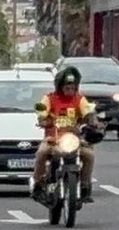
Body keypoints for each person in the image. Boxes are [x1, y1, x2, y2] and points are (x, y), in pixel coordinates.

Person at [32, 67, 100, 202]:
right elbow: (41, 111)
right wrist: (42, 120)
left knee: (90, 156)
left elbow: (89, 112)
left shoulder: (80, 99)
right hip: (53, 138)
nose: (70, 91)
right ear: (60, 87)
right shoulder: (49, 98)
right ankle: (38, 185)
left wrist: (93, 122)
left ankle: (85, 187)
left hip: (74, 140)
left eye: (72, 88)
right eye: (66, 88)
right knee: (41, 153)